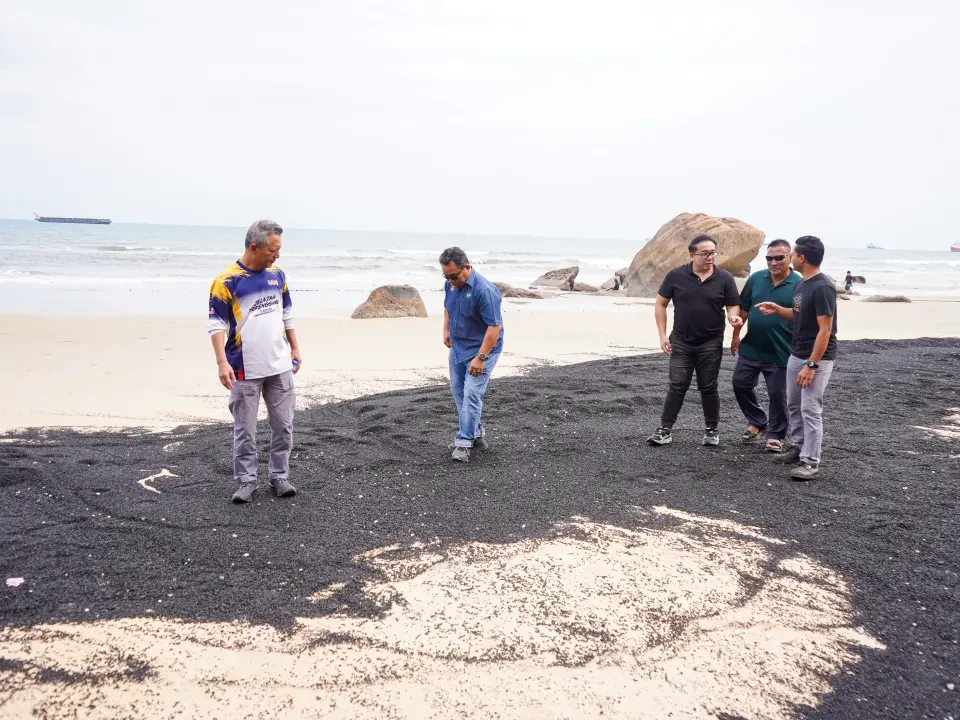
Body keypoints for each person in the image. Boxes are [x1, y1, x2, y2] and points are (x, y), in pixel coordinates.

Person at [208, 220, 301, 503]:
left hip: (280, 365)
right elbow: (216, 325)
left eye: (279, 249)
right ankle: (247, 480)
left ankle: (279, 476)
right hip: (243, 368)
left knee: (283, 425)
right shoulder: (227, 281)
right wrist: (222, 363)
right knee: (245, 429)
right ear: (254, 247)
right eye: (273, 250)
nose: (277, 255)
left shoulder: (278, 275)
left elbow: (287, 315)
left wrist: (296, 348)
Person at [647, 235, 743, 447]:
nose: (710, 258)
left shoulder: (725, 278)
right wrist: (662, 335)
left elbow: (732, 305)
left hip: (710, 341)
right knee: (677, 384)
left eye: (713, 253)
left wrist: (733, 317)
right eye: (705, 254)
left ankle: (711, 430)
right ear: (692, 255)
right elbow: (660, 304)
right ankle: (665, 430)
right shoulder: (676, 276)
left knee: (708, 386)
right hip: (681, 340)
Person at [756, 235, 838, 481]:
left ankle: (810, 462)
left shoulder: (823, 286)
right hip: (796, 353)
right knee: (793, 404)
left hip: (816, 359)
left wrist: (812, 365)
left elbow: (825, 329)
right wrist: (779, 310)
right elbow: (800, 315)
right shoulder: (802, 284)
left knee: (810, 408)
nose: (789, 257)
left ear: (801, 257)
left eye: (791, 253)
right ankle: (799, 447)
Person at [730, 239, 801, 453]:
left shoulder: (798, 284)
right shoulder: (756, 279)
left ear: (790, 257)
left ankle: (776, 435)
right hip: (752, 346)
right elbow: (743, 308)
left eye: (779, 257)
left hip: (782, 350)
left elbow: (802, 317)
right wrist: (735, 334)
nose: (773, 262)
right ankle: (758, 421)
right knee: (740, 384)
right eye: (769, 258)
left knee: (778, 394)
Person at [440, 247, 504, 462]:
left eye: (453, 276)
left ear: (466, 267)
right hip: (459, 347)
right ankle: (476, 434)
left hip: (483, 349)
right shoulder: (450, 285)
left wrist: (481, 358)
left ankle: (464, 442)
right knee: (459, 392)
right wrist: (446, 330)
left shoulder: (484, 290)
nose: (450, 281)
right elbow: (448, 307)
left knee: (472, 393)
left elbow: (494, 327)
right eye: (446, 276)